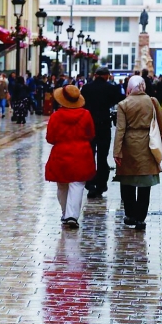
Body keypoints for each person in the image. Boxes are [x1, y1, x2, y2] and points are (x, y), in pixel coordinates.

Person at [115, 75, 162, 229]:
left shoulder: (123, 104)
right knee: (145, 183)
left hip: (129, 143)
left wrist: (117, 151)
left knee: (127, 180)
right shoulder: (152, 101)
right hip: (149, 143)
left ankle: (130, 214)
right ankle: (141, 218)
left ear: (129, 88)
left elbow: (120, 130)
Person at [45, 84, 96, 230]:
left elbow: (50, 138)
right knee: (77, 185)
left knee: (62, 184)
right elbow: (91, 134)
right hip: (81, 152)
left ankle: (64, 213)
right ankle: (72, 215)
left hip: (61, 152)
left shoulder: (56, 116)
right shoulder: (86, 114)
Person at [82, 66, 122, 199]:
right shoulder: (111, 88)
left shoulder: (87, 88)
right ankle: (101, 184)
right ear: (107, 76)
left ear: (95, 75)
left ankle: (90, 184)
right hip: (104, 124)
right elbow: (120, 100)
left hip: (89, 124)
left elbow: (81, 103)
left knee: (89, 155)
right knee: (102, 156)